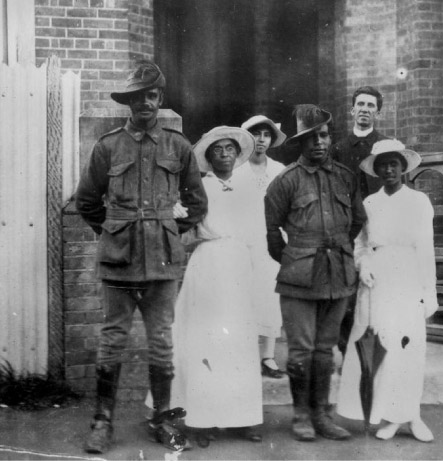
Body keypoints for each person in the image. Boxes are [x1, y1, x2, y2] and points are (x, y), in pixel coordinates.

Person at [75, 61, 208, 454]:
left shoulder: (178, 147)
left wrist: (166, 230)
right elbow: (86, 201)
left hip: (162, 262)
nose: (144, 103)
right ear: (129, 103)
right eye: (137, 98)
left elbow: (197, 205)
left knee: (162, 341)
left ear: (159, 99)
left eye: (150, 96)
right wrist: (115, 229)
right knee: (113, 338)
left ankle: (162, 419)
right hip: (118, 260)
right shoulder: (108, 146)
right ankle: (103, 421)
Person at [264, 105, 366, 442]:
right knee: (300, 350)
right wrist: (298, 256)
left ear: (330, 137)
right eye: (311, 138)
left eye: (323, 135)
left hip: (338, 271)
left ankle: (322, 414)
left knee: (325, 350)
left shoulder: (345, 177)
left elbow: (355, 221)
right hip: (299, 276)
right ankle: (301, 415)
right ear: (300, 142)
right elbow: (272, 234)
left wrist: (336, 248)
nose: (319, 143)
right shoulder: (285, 182)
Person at [336, 139, 438, 443]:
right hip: (377, 282)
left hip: (407, 278)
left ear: (403, 167)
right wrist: (363, 265)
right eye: (383, 164)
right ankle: (387, 415)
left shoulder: (419, 201)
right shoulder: (369, 204)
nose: (389, 169)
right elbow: (361, 245)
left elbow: (426, 248)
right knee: (381, 348)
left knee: (409, 348)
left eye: (394, 163)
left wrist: (428, 291)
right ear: (377, 170)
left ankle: (412, 415)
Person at [171, 126, 264, 448]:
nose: (224, 154)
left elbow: (257, 234)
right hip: (209, 264)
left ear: (237, 155)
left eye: (229, 149)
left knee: (238, 341)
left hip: (239, 266)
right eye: (217, 150)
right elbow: (183, 228)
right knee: (208, 340)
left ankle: (242, 418)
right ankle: (203, 417)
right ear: (208, 158)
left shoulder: (249, 187)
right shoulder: (199, 187)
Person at [330, 86, 389, 358]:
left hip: (378, 227)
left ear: (378, 111)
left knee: (379, 285)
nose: (365, 109)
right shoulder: (339, 147)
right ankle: (345, 349)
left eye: (371, 105)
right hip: (348, 227)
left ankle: (377, 347)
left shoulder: (386, 147)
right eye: (361, 104)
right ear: (352, 109)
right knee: (347, 287)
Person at [234, 115, 287, 379]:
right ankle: (243, 355)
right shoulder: (235, 168)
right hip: (242, 242)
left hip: (269, 241)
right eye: (256, 134)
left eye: (266, 135)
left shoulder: (279, 170)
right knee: (244, 296)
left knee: (269, 296)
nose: (261, 140)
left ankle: (268, 357)